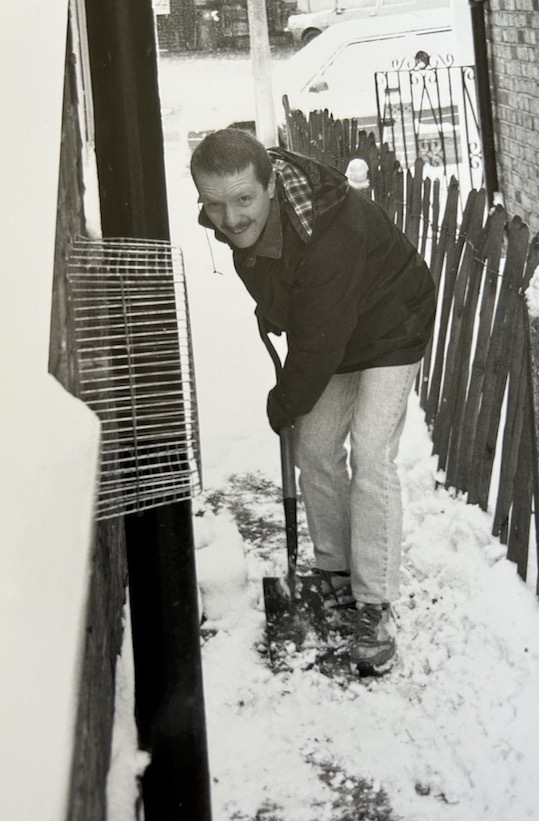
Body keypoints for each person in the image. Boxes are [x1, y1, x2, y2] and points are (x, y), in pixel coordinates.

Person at [190, 128, 435, 675]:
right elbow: (290, 294)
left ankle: (374, 603)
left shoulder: (332, 233)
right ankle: (335, 568)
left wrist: (286, 399)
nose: (230, 219)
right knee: (317, 447)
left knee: (371, 454)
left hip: (393, 322)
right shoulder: (239, 220)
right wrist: (277, 309)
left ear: (271, 184)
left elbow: (320, 336)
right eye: (214, 204)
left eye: (244, 200)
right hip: (335, 325)